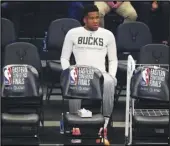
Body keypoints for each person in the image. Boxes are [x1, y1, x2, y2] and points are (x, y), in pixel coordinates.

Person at [60, 4, 118, 144]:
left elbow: (113, 59)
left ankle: (103, 126)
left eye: (97, 17)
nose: (96, 21)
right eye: (92, 18)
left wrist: (112, 75)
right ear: (84, 19)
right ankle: (75, 126)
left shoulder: (108, 35)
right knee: (74, 80)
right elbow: (64, 58)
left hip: (100, 74)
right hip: (81, 72)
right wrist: (68, 73)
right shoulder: (73, 33)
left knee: (110, 81)